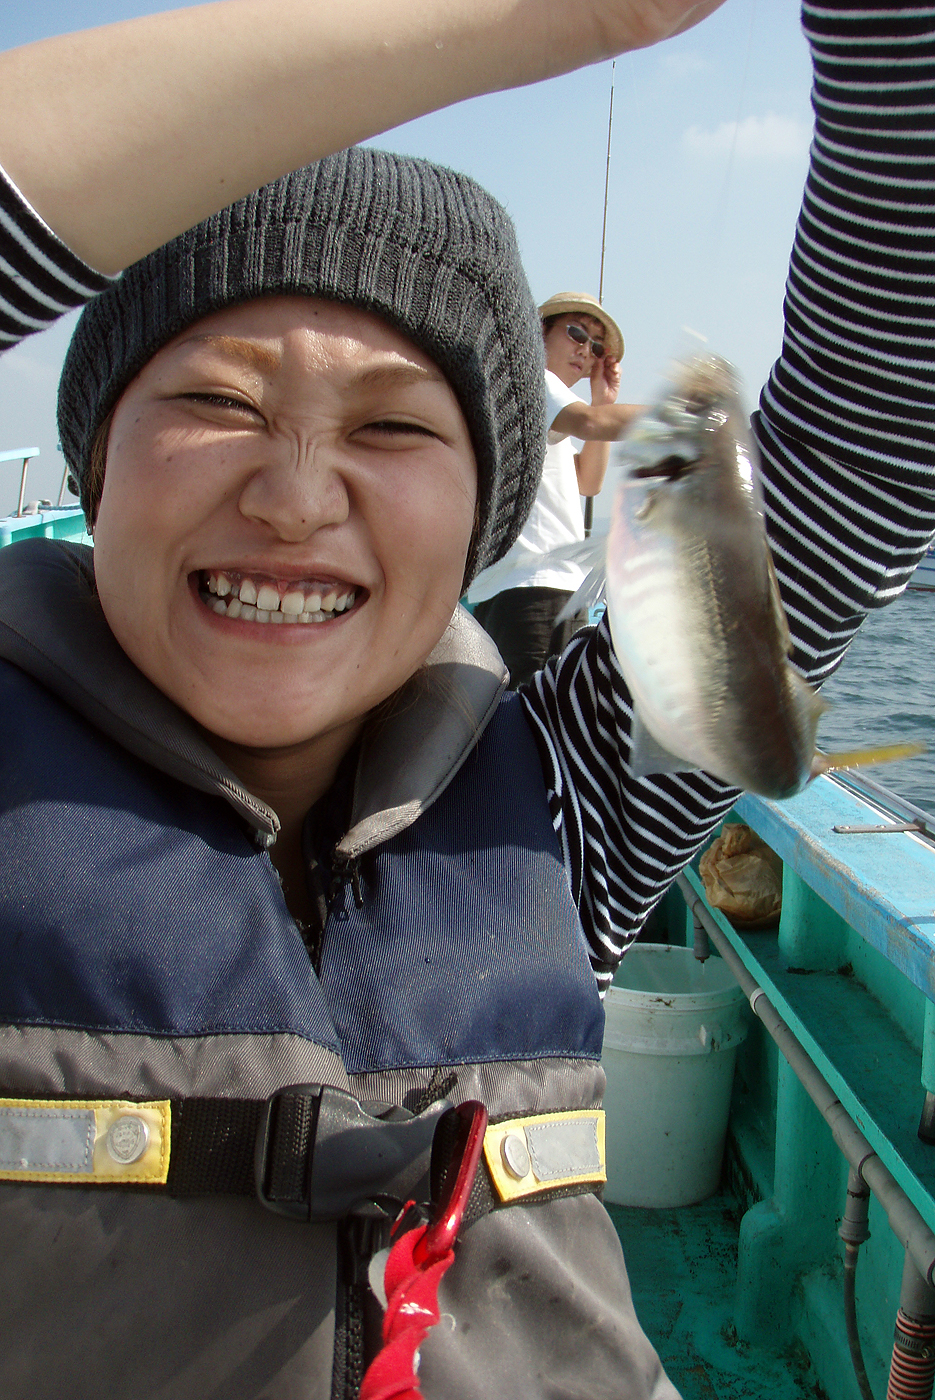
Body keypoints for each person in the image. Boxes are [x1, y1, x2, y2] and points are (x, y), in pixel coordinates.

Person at [1, 3, 934, 1399]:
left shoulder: (572, 800)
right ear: (97, 464)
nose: (296, 496)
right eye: (216, 403)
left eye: (391, 425)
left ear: (485, 507)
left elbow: (874, 423)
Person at [470, 291, 639, 686]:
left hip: (538, 593)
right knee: (541, 733)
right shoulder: (533, 380)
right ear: (538, 332)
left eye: (596, 346)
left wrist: (601, 398)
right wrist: (686, 420)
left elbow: (588, 481)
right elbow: (593, 424)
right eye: (577, 333)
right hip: (536, 590)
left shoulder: (535, 402)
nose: (586, 351)